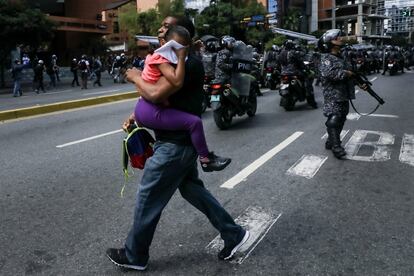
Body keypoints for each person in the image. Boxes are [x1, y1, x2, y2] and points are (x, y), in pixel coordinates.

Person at [106, 15, 249, 271]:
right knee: (194, 192)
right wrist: (136, 114)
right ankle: (234, 233)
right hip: (177, 144)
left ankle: (135, 255)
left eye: (167, 26)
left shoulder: (187, 63)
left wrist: (135, 77)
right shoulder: (173, 58)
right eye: (162, 26)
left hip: (174, 147)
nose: (161, 29)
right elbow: (155, 99)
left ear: (182, 36)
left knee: (148, 197)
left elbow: (155, 93)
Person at [134, 25, 230, 171]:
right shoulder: (162, 59)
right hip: (151, 111)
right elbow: (175, 82)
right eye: (178, 46)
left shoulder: (167, 58)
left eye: (185, 46)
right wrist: (180, 56)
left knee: (192, 188)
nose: (182, 50)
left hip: (145, 108)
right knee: (195, 122)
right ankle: (205, 159)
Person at [318, 29, 367, 159]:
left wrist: (359, 82)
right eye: (337, 38)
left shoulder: (341, 56)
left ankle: (330, 141)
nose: (340, 39)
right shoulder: (326, 58)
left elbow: (351, 72)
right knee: (334, 119)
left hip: (344, 93)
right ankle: (336, 146)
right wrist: (347, 73)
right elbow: (331, 74)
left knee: (341, 118)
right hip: (333, 94)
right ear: (330, 43)